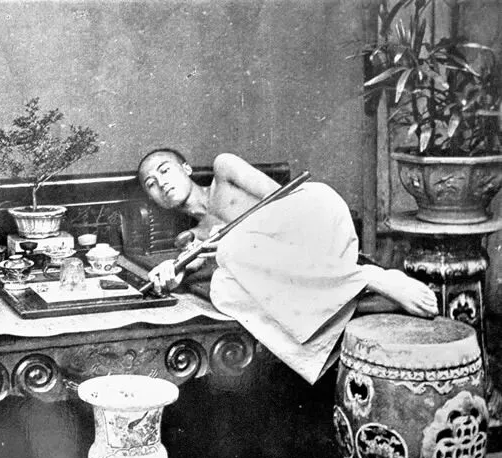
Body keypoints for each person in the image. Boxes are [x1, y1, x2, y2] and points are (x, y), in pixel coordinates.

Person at [138, 149, 438, 384]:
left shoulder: (224, 169)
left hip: (317, 222)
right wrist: (177, 271)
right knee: (222, 288)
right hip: (305, 268)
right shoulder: (196, 237)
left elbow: (283, 203)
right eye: (151, 184)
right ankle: (349, 299)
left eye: (165, 170)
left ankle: (367, 277)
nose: (161, 183)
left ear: (186, 168)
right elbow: (211, 263)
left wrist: (234, 236)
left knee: (231, 249)